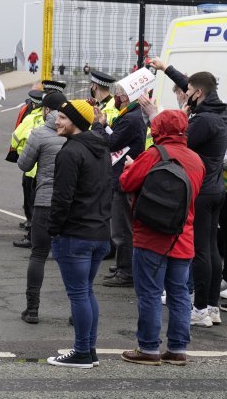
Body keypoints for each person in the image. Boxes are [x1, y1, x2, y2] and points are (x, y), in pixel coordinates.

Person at [119, 109, 205, 366]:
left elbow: (126, 183)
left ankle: (148, 348)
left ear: (159, 130)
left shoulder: (154, 154)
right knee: (179, 294)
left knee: (150, 293)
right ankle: (177, 349)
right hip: (183, 236)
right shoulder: (196, 160)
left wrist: (131, 168)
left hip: (151, 236)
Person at [149, 58, 227, 327]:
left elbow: (179, 141)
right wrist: (165, 68)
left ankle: (201, 308)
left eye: (190, 91)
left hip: (202, 192)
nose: (186, 94)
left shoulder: (204, 121)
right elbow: (193, 84)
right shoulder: (220, 110)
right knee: (213, 250)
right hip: (216, 189)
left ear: (198, 94)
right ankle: (213, 307)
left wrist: (181, 115)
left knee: (201, 251)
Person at [46, 99, 111, 369]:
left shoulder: (70, 152)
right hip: (99, 232)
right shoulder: (101, 149)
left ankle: (82, 351)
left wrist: (53, 229)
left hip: (75, 233)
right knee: (86, 292)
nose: (57, 121)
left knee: (79, 294)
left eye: (62, 117)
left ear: (76, 122)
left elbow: (62, 198)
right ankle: (89, 349)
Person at [17, 91, 67, 323]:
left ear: (46, 110)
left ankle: (32, 309)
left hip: (45, 201)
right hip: (71, 203)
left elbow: (24, 164)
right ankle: (76, 311)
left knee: (38, 254)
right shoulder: (76, 132)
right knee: (71, 258)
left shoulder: (39, 133)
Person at [99, 84, 147, 288]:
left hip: (124, 179)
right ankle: (123, 264)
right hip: (122, 176)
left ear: (127, 97)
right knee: (121, 226)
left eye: (118, 95)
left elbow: (111, 142)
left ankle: (126, 270)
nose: (116, 98)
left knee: (122, 228)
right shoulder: (130, 115)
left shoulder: (131, 118)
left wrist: (98, 125)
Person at [9, 90, 45, 248]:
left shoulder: (31, 118)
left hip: (30, 166)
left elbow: (15, 137)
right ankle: (34, 231)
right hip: (42, 168)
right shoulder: (49, 119)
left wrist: (18, 150)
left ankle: (31, 234)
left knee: (32, 202)